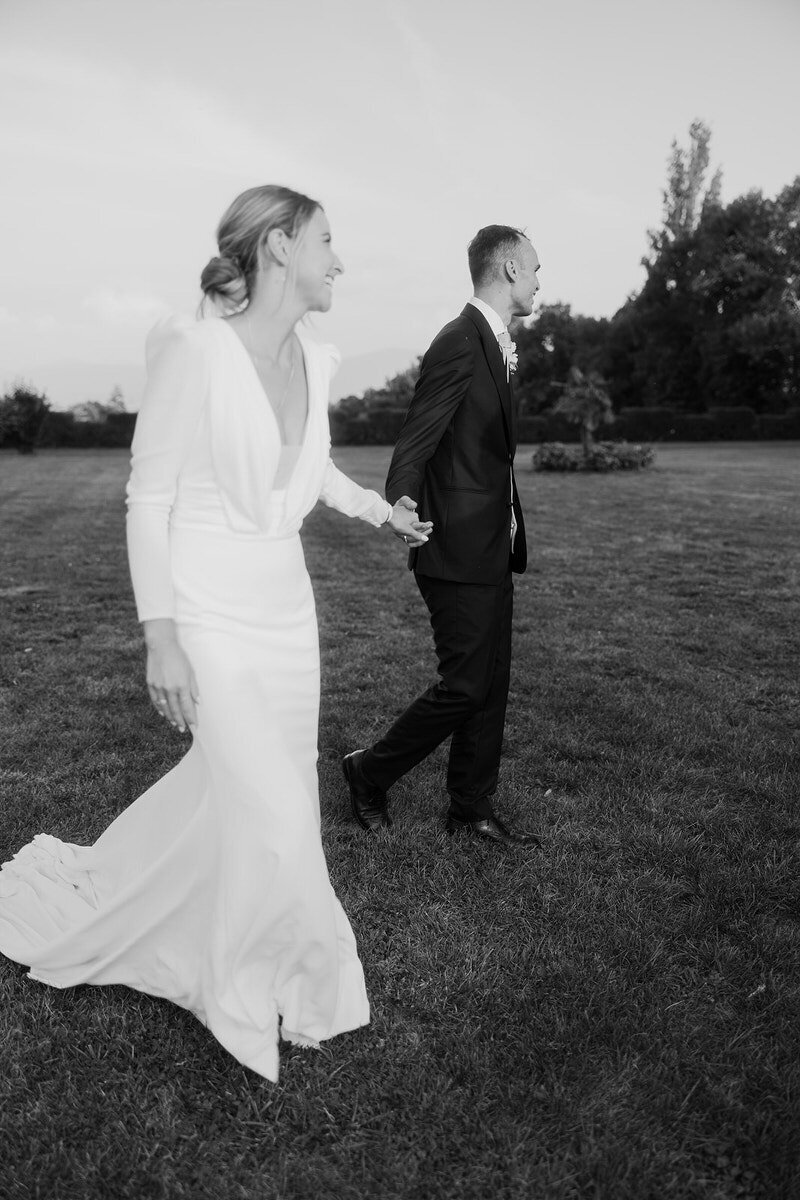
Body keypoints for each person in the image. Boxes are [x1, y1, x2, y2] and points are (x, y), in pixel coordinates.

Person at [0, 184, 430, 1082]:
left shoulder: (319, 355)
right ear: (277, 247)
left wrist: (376, 511)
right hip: (208, 614)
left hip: (286, 615)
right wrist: (162, 636)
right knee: (276, 814)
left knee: (261, 790)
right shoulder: (198, 353)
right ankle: (267, 984)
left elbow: (306, 471)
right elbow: (146, 498)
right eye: (326, 242)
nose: (339, 262)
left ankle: (223, 935)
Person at [343, 225, 542, 848]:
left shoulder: (496, 344)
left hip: (491, 544)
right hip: (452, 546)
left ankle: (470, 808)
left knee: (492, 681)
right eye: (535, 268)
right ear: (508, 269)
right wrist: (400, 494)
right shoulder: (460, 341)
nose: (540, 280)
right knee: (465, 684)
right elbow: (417, 434)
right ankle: (368, 771)